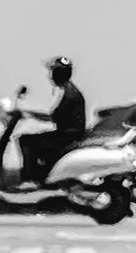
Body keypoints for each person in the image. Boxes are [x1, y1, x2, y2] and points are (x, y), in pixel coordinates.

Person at [16, 55, 87, 183]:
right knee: (34, 139)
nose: (50, 76)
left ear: (60, 74)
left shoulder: (70, 94)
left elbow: (53, 117)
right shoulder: (68, 90)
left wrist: (28, 114)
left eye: (54, 72)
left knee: (26, 141)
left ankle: (31, 180)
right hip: (67, 133)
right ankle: (41, 172)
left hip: (68, 136)